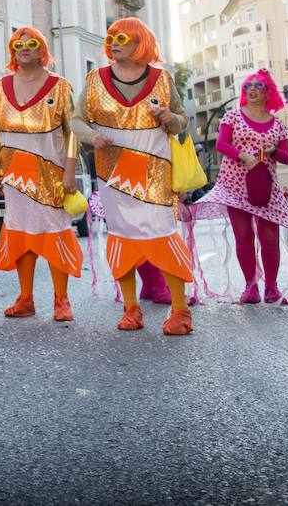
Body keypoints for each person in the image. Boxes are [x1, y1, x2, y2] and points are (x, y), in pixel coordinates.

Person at [72, 17, 195, 336]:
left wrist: (169, 117)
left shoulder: (163, 79)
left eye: (122, 38)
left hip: (155, 174)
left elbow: (183, 121)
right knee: (123, 236)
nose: (114, 43)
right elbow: (77, 120)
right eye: (111, 37)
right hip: (112, 175)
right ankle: (131, 308)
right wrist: (91, 136)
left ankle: (180, 310)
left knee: (163, 235)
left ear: (140, 42)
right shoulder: (96, 79)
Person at [185, 69, 288, 305]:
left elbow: (286, 158)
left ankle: (271, 287)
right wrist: (242, 155)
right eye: (247, 86)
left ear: (267, 92)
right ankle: (250, 286)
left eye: (258, 86)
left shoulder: (278, 124)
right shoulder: (232, 117)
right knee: (243, 237)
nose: (251, 89)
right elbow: (221, 144)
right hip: (234, 186)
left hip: (266, 188)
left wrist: (274, 151)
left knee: (269, 238)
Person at [0, 27, 82, 322]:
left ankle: (61, 300)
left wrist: (70, 171)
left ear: (42, 49)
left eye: (31, 44)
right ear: (12, 51)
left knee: (53, 232)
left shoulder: (59, 85)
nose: (24, 48)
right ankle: (25, 298)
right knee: (21, 233)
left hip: (50, 172)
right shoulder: (1, 86)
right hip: (14, 173)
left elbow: (72, 133)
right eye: (18, 44)